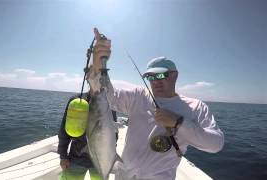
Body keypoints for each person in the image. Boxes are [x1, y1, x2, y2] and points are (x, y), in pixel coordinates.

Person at [89, 28, 224, 180]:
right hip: (124, 175)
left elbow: (216, 144)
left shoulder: (196, 107)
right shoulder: (138, 95)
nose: (156, 81)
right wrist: (97, 65)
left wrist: (178, 123)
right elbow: (107, 98)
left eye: (161, 75)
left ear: (175, 75)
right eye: (150, 77)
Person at [58, 91, 118, 180]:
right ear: (87, 78)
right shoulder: (76, 100)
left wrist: (111, 157)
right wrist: (63, 156)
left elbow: (113, 133)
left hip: (101, 160)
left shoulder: (110, 104)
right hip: (76, 157)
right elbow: (64, 131)